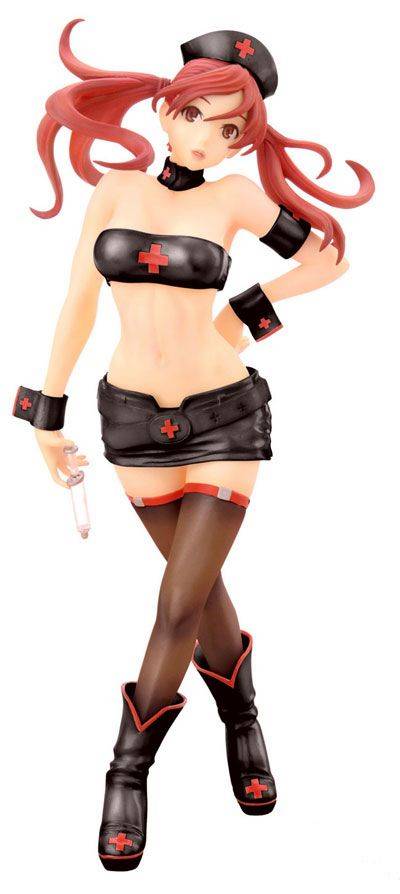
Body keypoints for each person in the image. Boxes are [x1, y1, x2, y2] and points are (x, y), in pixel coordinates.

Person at [12, 20, 374, 871]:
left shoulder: (235, 197)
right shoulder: (117, 189)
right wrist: (44, 416)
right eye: (197, 116)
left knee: (177, 602)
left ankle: (125, 771)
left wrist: (242, 319)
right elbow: (78, 302)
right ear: (165, 109)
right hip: (132, 420)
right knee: (201, 590)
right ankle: (243, 718)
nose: (210, 137)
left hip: (223, 416)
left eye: (230, 128)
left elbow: (327, 260)